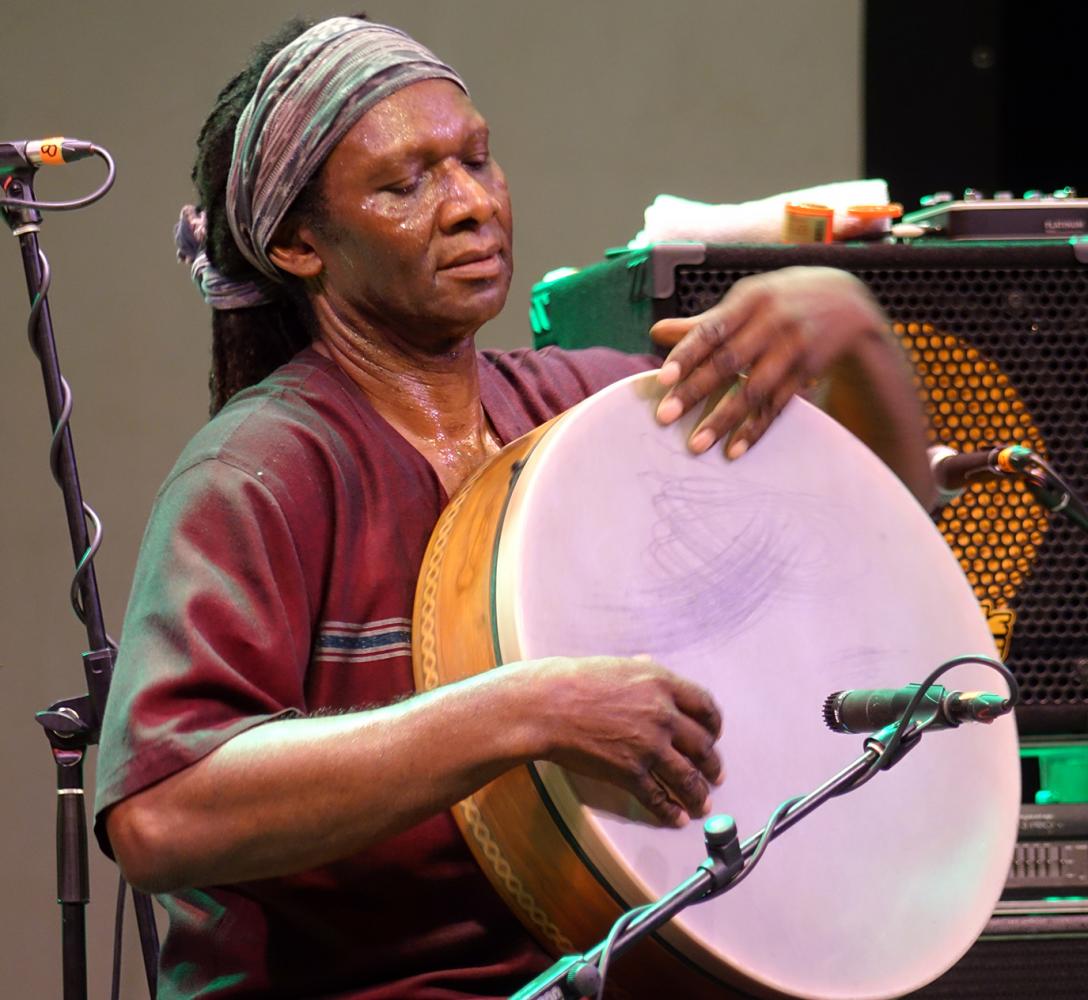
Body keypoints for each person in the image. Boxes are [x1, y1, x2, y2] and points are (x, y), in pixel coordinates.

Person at [95, 15, 934, 999]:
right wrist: (525, 706)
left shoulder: (584, 409)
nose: (467, 206)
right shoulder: (258, 473)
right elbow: (160, 817)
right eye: (406, 183)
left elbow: (878, 577)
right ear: (296, 243)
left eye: (476, 160)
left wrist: (856, 333)